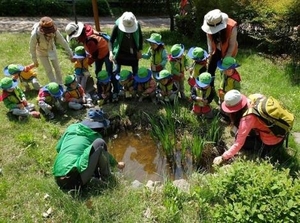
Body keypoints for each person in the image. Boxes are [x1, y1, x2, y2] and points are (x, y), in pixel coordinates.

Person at [53, 108, 125, 190]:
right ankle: (107, 178)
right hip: (74, 180)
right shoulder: (94, 136)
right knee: (100, 143)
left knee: (85, 155)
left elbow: (58, 148)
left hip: (58, 177)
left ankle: (90, 179)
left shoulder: (71, 127)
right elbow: (104, 153)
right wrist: (116, 164)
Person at [213, 90, 285, 165]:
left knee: (244, 143)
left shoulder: (247, 119)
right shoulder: (253, 98)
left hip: (272, 141)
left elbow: (238, 144)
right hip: (278, 132)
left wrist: (223, 157)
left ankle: (265, 150)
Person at [65, 21, 117, 100]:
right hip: (97, 53)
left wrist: (86, 63)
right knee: (97, 71)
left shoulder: (90, 40)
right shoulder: (85, 32)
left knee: (109, 72)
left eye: (74, 37)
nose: (75, 39)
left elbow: (94, 55)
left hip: (105, 52)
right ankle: (100, 91)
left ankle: (111, 91)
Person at [29, 16, 73, 84]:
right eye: (48, 32)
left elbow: (63, 41)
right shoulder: (35, 34)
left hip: (51, 49)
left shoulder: (55, 31)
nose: (50, 33)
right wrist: (35, 60)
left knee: (57, 68)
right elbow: (32, 47)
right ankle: (54, 85)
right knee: (48, 69)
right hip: (41, 52)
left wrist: (70, 53)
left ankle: (60, 83)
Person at [201, 9, 238, 86]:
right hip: (216, 49)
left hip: (229, 49)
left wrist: (226, 59)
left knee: (227, 70)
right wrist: (210, 53)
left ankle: (226, 87)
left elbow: (232, 45)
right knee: (211, 68)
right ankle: (210, 87)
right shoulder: (209, 24)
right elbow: (210, 41)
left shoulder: (231, 27)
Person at [109, 12, 143, 77]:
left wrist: (140, 50)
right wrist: (111, 53)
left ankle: (135, 86)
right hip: (120, 52)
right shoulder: (117, 25)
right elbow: (111, 41)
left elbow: (140, 38)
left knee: (136, 72)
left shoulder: (137, 25)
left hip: (133, 52)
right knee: (116, 71)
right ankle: (117, 87)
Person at [217, 56, 241, 123]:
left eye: (228, 70)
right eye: (224, 70)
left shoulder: (235, 79)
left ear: (232, 69)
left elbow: (237, 89)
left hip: (229, 96)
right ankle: (222, 112)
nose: (225, 72)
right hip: (222, 93)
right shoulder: (224, 73)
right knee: (221, 103)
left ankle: (227, 118)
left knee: (228, 106)